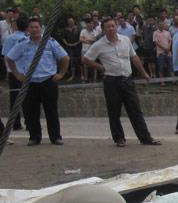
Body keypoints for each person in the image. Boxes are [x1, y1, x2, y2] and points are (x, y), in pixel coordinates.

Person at [83, 17, 161, 147]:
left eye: (113, 26)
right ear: (103, 29)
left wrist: (144, 73)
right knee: (114, 111)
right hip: (111, 81)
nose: (111, 28)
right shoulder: (99, 44)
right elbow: (86, 59)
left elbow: (134, 57)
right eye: (108, 26)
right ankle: (119, 138)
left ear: (116, 27)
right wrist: (100, 67)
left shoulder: (125, 40)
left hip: (127, 80)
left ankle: (145, 138)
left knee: (135, 110)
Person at [5, 17, 69, 146]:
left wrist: (61, 74)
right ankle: (34, 137)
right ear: (28, 29)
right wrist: (17, 74)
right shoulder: (22, 44)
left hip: (48, 80)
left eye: (37, 27)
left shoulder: (50, 42)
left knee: (51, 111)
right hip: (30, 82)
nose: (34, 29)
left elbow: (65, 57)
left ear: (41, 28)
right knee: (31, 111)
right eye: (32, 27)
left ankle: (55, 137)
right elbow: (9, 58)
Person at [3, 14, 27, 130]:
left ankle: (16, 123)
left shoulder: (10, 38)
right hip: (27, 71)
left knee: (15, 98)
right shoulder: (29, 37)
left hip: (14, 72)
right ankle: (30, 122)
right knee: (29, 97)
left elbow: (6, 55)